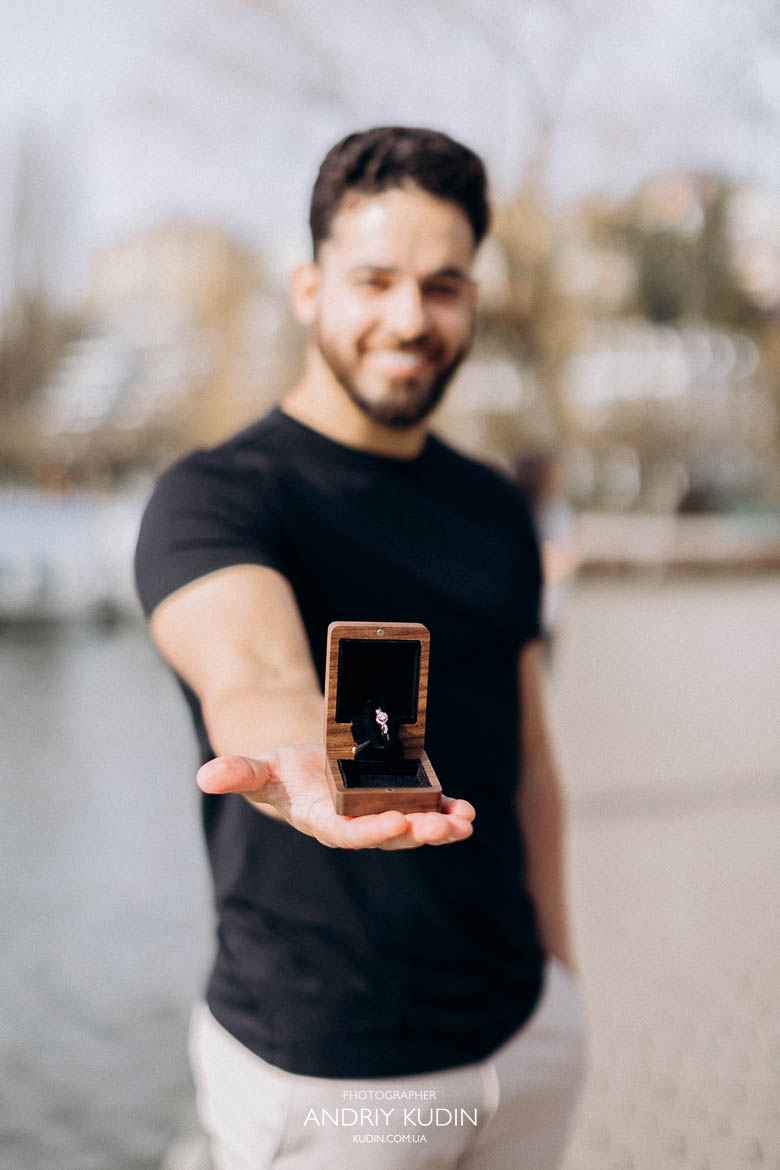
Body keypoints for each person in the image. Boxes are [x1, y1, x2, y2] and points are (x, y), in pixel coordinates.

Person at [135, 126, 586, 1170]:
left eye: (442, 285)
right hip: (328, 1074)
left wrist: (561, 973)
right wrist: (301, 760)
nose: (408, 318)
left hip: (526, 1036)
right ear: (308, 288)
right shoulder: (216, 496)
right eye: (374, 279)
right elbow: (253, 670)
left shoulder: (496, 509)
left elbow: (529, 754)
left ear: (475, 298)